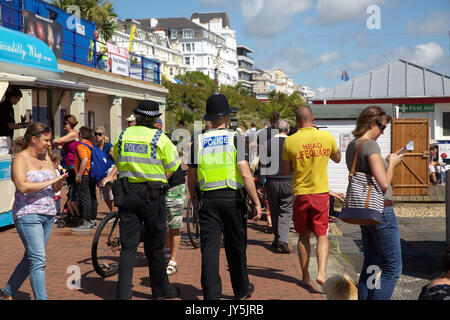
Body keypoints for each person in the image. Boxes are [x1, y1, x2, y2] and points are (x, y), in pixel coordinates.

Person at [102, 100, 181, 300]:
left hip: (128, 195)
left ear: (137, 117)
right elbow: (173, 165)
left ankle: (123, 295)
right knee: (154, 247)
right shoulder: (159, 137)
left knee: (128, 248)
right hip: (153, 197)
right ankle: (161, 291)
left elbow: (118, 161)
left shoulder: (122, 135)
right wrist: (160, 177)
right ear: (154, 118)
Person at [187, 93, 263, 300]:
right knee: (235, 247)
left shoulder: (198, 141)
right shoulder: (235, 138)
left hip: (207, 202)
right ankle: (241, 290)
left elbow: (191, 176)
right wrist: (256, 202)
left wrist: (193, 200)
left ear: (209, 118)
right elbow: (246, 173)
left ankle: (211, 296)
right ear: (226, 117)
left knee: (209, 250)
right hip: (232, 200)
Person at [0, 123, 67, 300]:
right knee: (38, 260)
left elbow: (55, 187)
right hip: (28, 214)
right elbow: (22, 186)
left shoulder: (46, 157)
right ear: (33, 139)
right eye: (45, 140)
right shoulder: (20, 159)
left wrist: (60, 179)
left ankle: (8, 291)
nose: (48, 144)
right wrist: (49, 182)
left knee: (31, 257)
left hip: (48, 213)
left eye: (50, 140)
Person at [344, 105, 403, 300]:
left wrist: (386, 160)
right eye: (382, 126)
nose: (383, 132)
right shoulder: (370, 145)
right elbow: (384, 183)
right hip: (381, 212)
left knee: (371, 264)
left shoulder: (353, 145)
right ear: (372, 123)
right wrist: (392, 163)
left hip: (364, 212)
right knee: (393, 268)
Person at [282, 106, 341, 288]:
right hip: (320, 193)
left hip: (300, 194)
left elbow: (285, 171)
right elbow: (337, 158)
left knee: (303, 237)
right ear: (313, 118)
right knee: (322, 235)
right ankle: (322, 273)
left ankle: (305, 276)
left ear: (297, 121)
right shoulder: (326, 137)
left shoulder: (290, 141)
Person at [259, 119, 293, 253]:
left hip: (272, 181)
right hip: (288, 180)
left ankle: (277, 237)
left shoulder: (267, 144)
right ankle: (282, 240)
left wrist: (261, 184)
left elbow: (262, 164)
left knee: (274, 210)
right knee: (286, 210)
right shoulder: (292, 142)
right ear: (288, 130)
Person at [52, 115, 80, 221]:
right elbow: (61, 145)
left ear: (70, 124)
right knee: (70, 188)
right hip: (67, 164)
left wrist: (51, 140)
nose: (63, 125)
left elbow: (58, 140)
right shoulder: (68, 135)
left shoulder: (73, 134)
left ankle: (76, 213)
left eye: (65, 123)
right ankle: (71, 211)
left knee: (73, 188)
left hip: (73, 164)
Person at [71, 126, 98, 231]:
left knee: (85, 198)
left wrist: (79, 174)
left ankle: (86, 221)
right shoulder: (91, 145)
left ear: (81, 135)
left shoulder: (81, 146)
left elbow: (85, 159)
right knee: (92, 197)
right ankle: (92, 219)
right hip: (92, 174)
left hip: (85, 174)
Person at [94, 126, 115, 212]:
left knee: (111, 193)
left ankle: (113, 212)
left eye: (100, 134)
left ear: (104, 135)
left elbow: (116, 160)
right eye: (96, 134)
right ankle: (111, 212)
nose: (97, 136)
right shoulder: (96, 147)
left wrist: (113, 174)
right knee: (104, 194)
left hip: (110, 170)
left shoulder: (109, 146)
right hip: (101, 172)